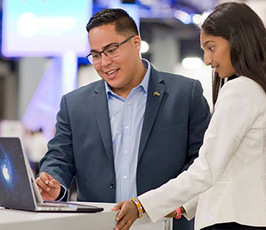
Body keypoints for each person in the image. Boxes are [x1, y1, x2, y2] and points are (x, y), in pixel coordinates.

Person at [36, 8, 211, 230]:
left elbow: (201, 161)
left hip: (165, 223)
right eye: (96, 55)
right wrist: (54, 184)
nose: (104, 62)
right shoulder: (75, 104)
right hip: (98, 224)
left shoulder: (185, 94)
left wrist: (155, 205)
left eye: (111, 50)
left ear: (136, 43)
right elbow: (59, 157)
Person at [113, 2, 266, 230]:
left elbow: (206, 168)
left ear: (237, 40)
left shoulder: (239, 90)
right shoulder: (257, 88)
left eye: (211, 47)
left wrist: (141, 204)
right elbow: (231, 167)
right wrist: (183, 205)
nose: (207, 60)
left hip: (230, 221)